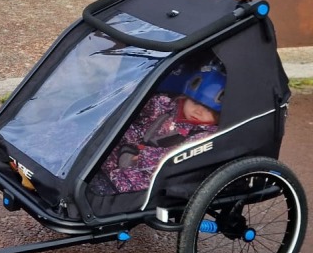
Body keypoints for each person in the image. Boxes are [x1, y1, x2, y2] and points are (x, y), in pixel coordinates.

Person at [89, 63, 224, 195]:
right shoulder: (167, 105)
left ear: (219, 116)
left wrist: (140, 156)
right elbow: (139, 106)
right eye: (195, 103)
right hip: (120, 152)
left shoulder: (204, 136)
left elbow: (173, 158)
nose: (198, 111)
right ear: (186, 97)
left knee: (131, 179)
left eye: (208, 110)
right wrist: (127, 91)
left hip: (145, 175)